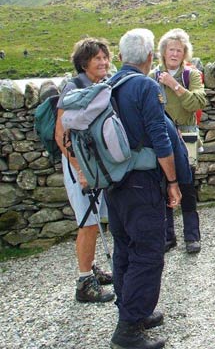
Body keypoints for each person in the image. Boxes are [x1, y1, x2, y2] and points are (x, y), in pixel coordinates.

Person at [106, 28, 182, 349]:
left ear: (121, 57)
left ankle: (131, 312)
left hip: (115, 182)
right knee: (149, 252)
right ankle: (127, 332)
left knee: (124, 246)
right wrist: (174, 182)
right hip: (142, 182)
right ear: (151, 57)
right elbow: (159, 138)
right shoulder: (146, 87)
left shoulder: (107, 86)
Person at [55, 38, 114, 303]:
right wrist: (80, 170)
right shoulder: (74, 87)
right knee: (88, 223)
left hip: (95, 165)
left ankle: (90, 268)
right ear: (83, 62)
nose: (103, 62)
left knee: (96, 220)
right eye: (97, 58)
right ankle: (84, 283)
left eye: (105, 57)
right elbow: (61, 135)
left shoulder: (100, 84)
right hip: (80, 167)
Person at [150, 28, 207, 254]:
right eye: (171, 49)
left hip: (186, 135)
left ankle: (192, 237)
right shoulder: (152, 77)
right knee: (162, 185)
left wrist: (175, 86)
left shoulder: (190, 75)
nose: (174, 54)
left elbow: (196, 103)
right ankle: (168, 236)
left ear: (185, 54)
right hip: (161, 136)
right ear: (163, 52)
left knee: (187, 185)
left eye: (179, 50)